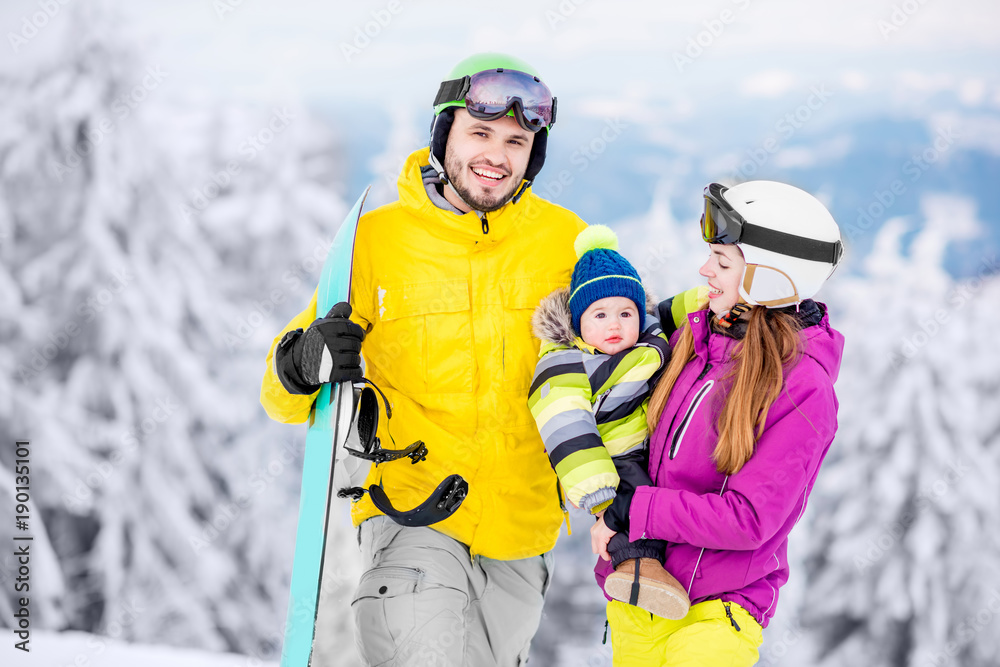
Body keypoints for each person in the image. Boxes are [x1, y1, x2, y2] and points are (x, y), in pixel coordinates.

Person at [260, 53, 587, 666]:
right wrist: (302, 362)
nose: (497, 154)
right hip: (412, 513)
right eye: (480, 132)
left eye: (517, 141)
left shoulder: (566, 243)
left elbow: (615, 361)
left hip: (524, 534)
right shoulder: (377, 244)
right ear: (444, 136)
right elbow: (280, 396)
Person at [590, 180, 845, 666]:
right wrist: (609, 510)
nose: (705, 270)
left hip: (718, 614)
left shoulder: (804, 388)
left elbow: (749, 520)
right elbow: (632, 437)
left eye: (723, 262)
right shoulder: (697, 339)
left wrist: (635, 508)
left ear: (772, 279)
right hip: (640, 594)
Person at [528, 224, 693, 621]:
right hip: (611, 459)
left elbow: (676, 310)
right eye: (600, 314)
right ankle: (639, 570)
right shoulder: (566, 361)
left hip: (650, 445)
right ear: (578, 320)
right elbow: (564, 422)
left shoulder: (644, 337)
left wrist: (718, 297)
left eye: (625, 313)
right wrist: (601, 493)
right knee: (632, 502)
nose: (615, 325)